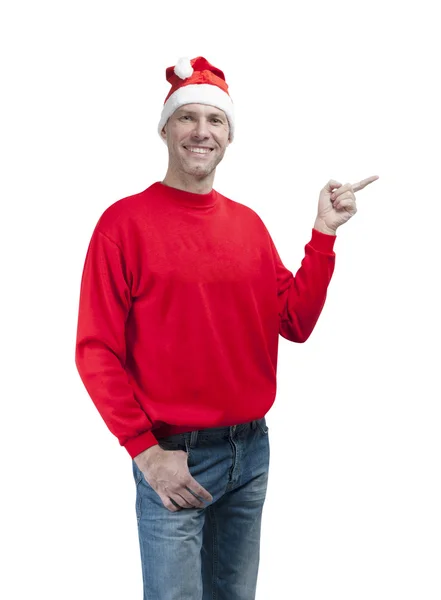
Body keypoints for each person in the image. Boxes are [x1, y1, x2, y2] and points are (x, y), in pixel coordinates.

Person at [75, 56, 378, 600]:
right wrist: (145, 452)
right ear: (165, 128)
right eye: (186, 117)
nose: (200, 131)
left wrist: (323, 235)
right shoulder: (122, 225)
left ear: (229, 135)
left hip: (250, 452)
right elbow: (96, 351)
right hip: (174, 457)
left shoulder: (247, 224)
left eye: (214, 120)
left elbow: (295, 322)